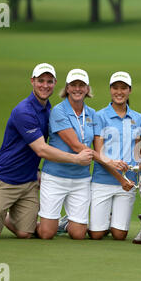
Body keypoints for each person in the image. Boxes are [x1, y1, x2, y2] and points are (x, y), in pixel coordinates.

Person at [0, 63, 94, 239]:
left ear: (55, 83)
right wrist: (76, 159)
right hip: (5, 177)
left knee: (25, 233)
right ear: (32, 81)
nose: (45, 85)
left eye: (49, 81)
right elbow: (42, 149)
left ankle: (0, 216)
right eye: (40, 81)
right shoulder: (24, 111)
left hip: (28, 181)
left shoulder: (48, 109)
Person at [36, 68, 97, 240]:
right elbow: (76, 146)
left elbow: (96, 144)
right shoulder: (58, 110)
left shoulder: (92, 114)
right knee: (47, 233)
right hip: (55, 177)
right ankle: (19, 221)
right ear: (67, 88)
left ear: (87, 89)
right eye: (73, 85)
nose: (77, 89)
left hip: (81, 179)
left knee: (78, 234)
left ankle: (64, 223)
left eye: (81, 85)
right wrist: (108, 161)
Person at [87, 71, 141, 240]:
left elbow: (139, 150)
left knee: (119, 235)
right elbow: (99, 154)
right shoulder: (100, 115)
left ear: (129, 90)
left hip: (127, 183)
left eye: (123, 88)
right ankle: (68, 222)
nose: (119, 92)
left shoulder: (138, 118)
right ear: (110, 90)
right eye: (115, 88)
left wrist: (137, 171)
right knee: (96, 234)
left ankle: (110, 220)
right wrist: (120, 178)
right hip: (103, 180)